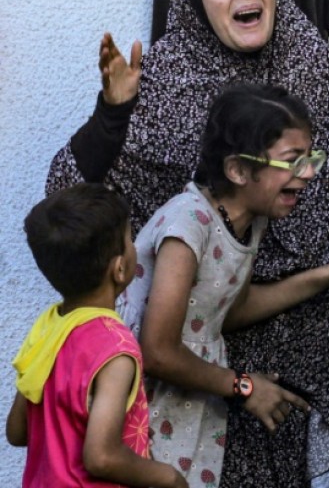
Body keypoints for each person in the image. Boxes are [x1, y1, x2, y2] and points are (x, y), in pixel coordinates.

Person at [43, 0, 329, 485]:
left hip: (292, 345)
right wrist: (113, 116)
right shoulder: (164, 81)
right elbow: (71, 193)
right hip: (189, 365)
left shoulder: (311, 64)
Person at [122, 83, 329, 484]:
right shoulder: (187, 226)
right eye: (293, 162)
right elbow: (157, 351)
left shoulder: (246, 225)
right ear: (239, 170)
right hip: (139, 406)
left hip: (182, 410)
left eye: (311, 159)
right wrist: (242, 386)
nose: (308, 174)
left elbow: (230, 312)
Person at [6, 183, 187, 488]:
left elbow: (17, 431)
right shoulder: (115, 348)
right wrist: (168, 477)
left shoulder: (48, 326)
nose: (134, 247)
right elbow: (101, 457)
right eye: (130, 240)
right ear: (119, 269)